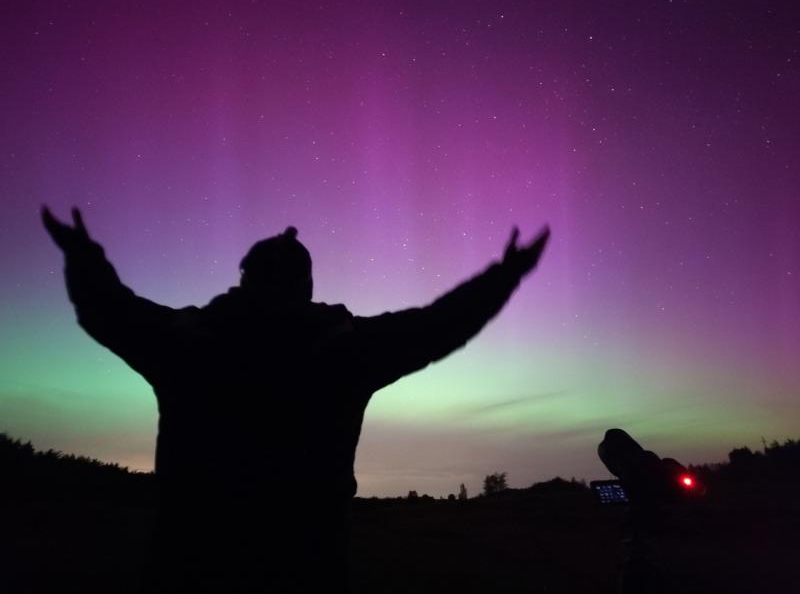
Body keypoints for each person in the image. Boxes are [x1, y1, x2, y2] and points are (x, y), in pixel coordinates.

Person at [42, 206, 550, 592]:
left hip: (189, 560)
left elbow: (109, 310)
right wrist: (503, 277)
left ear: (244, 277)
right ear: (306, 286)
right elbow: (439, 325)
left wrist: (83, 256)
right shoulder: (346, 350)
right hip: (309, 562)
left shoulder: (188, 342)